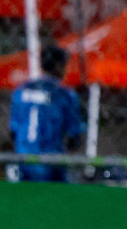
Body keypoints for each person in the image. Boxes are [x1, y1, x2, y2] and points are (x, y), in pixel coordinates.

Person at [8, 44, 83, 183]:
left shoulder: (20, 90)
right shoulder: (64, 94)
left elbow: (13, 131)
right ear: (59, 66)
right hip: (51, 159)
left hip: (23, 158)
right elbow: (75, 137)